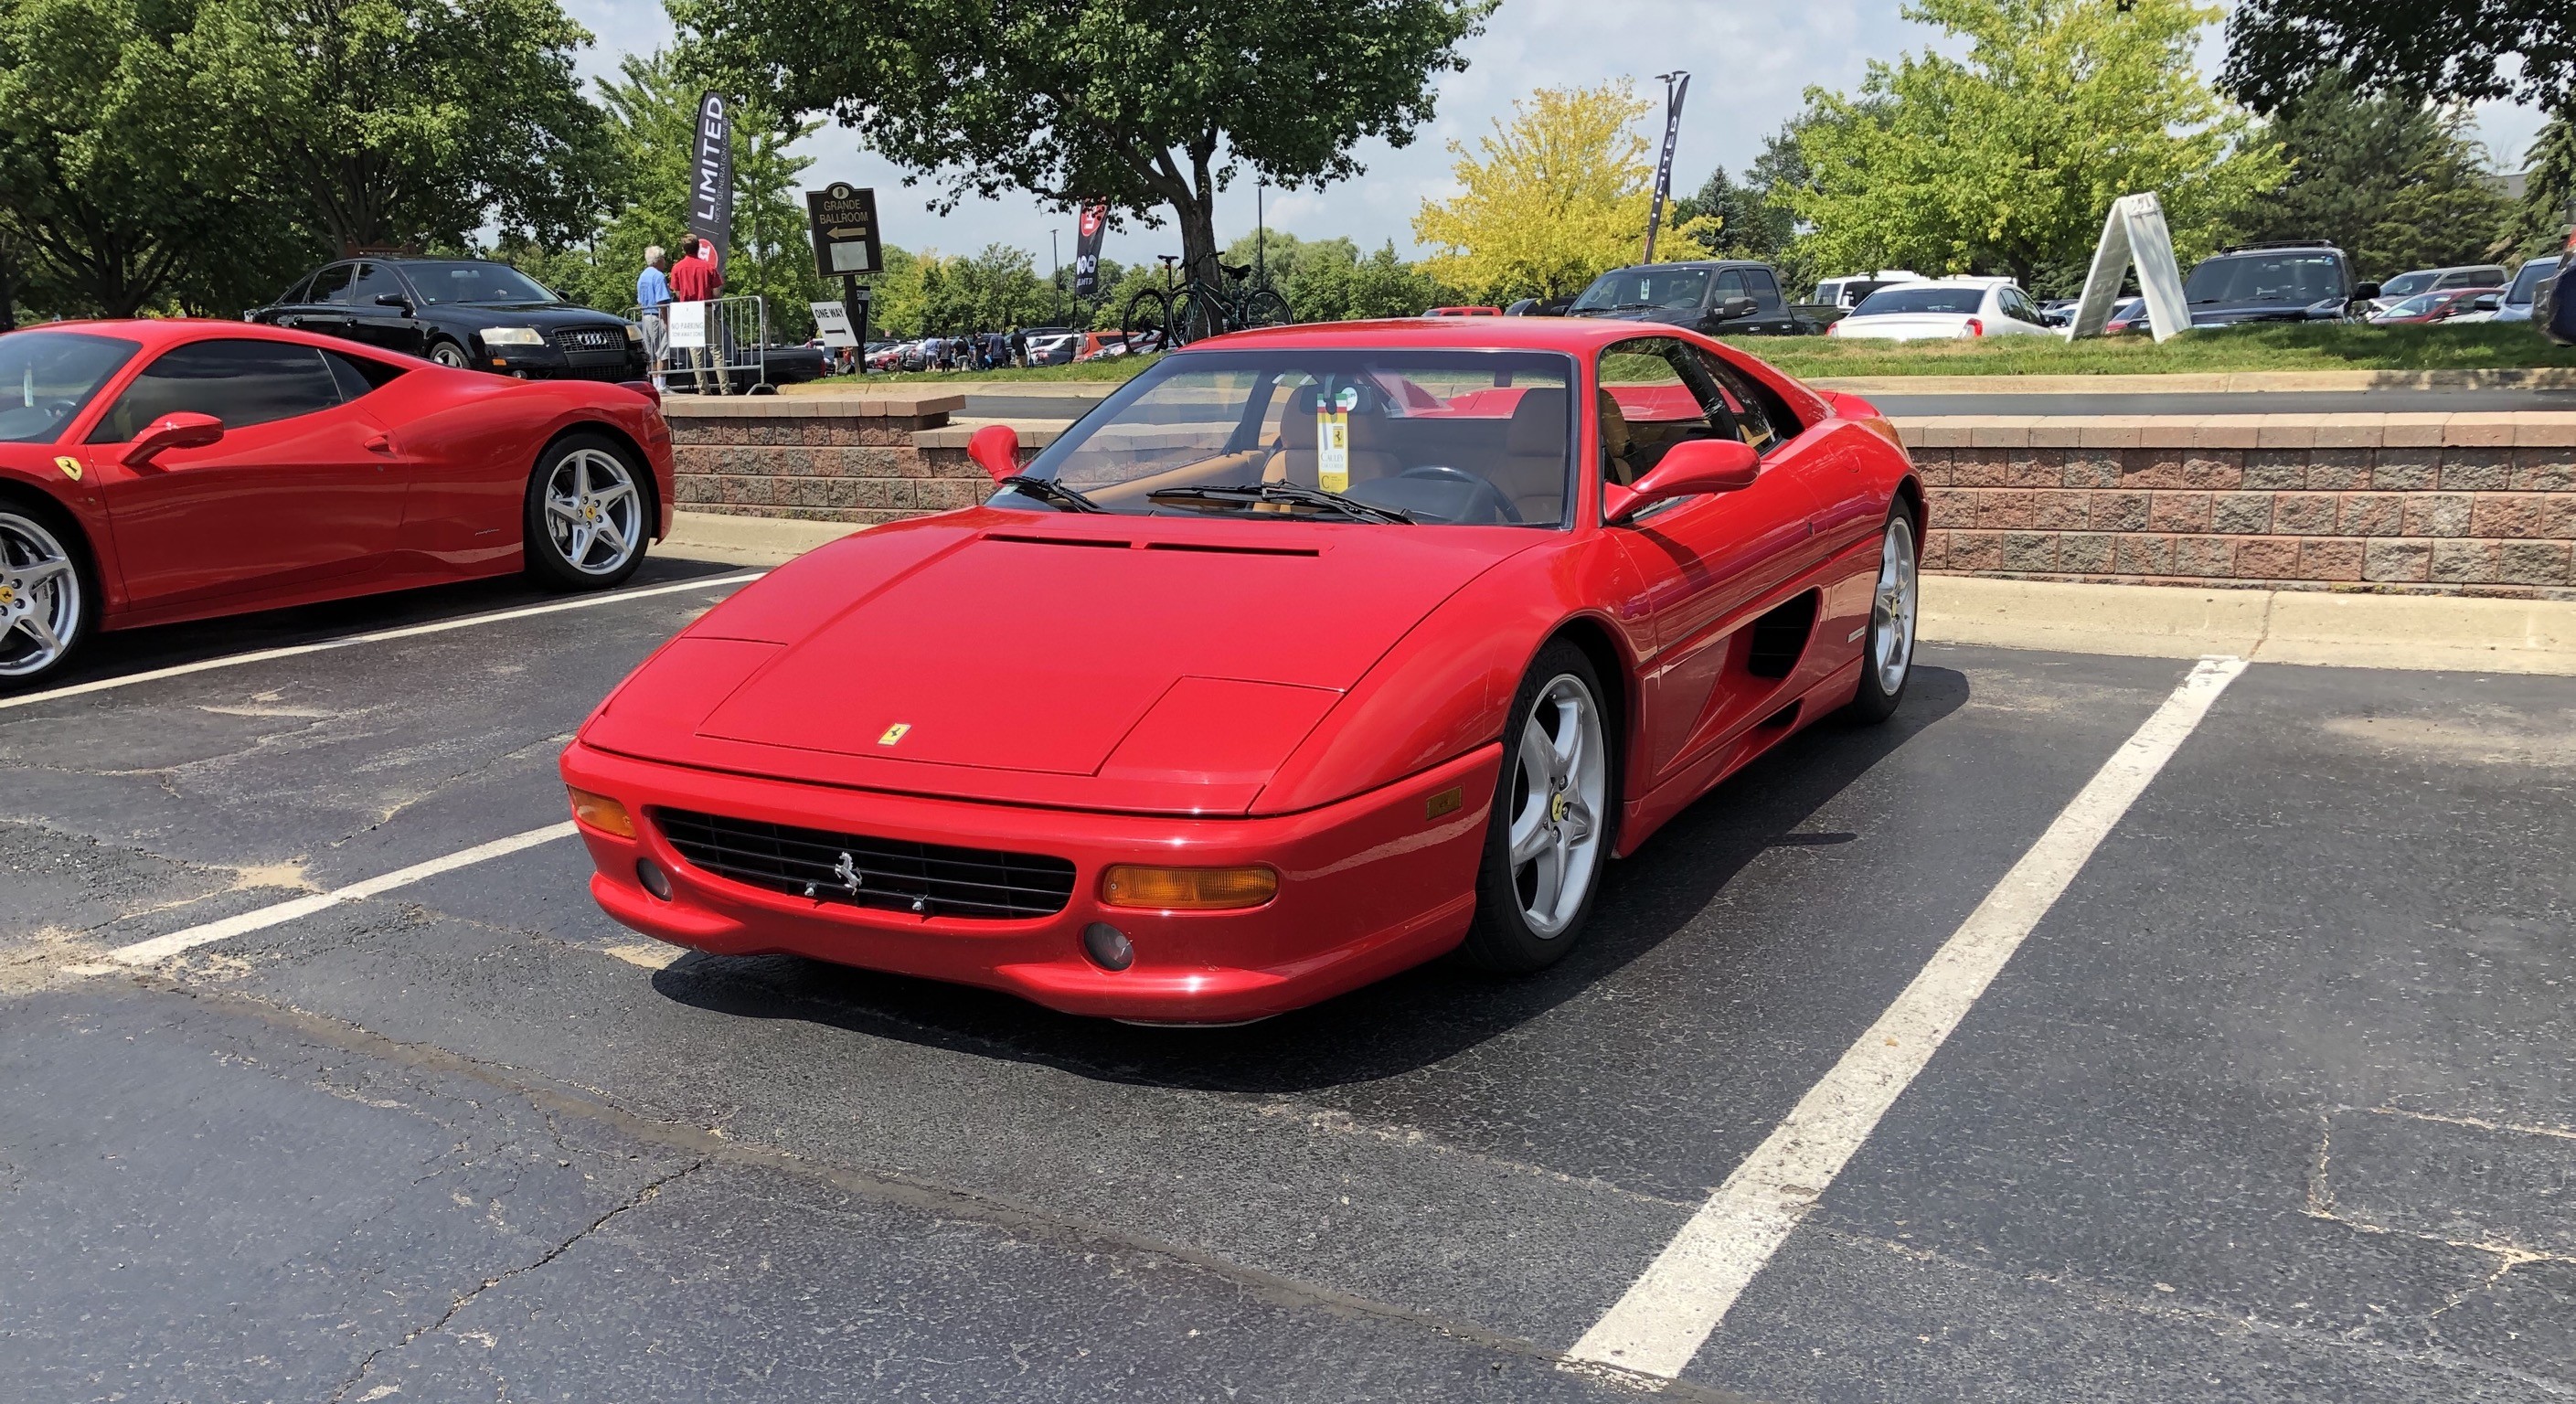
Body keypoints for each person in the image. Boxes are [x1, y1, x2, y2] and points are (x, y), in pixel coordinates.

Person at [668, 236, 729, 394]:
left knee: (696, 353)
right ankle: (725, 388)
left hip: (688, 312)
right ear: (698, 248)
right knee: (716, 350)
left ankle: (703, 388)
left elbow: (677, 292)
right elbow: (716, 293)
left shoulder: (677, 268)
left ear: (684, 249)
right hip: (705, 308)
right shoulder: (708, 267)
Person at [634, 246, 672, 390]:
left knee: (651, 353)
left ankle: (655, 384)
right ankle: (662, 384)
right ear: (658, 260)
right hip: (657, 316)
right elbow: (661, 301)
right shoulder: (658, 276)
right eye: (663, 258)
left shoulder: (642, 276)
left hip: (646, 316)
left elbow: (639, 300)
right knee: (662, 351)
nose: (665, 261)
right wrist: (666, 321)